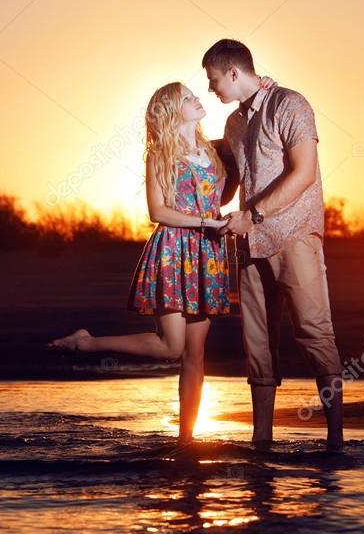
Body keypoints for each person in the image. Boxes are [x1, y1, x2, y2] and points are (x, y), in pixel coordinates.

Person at [49, 78, 271, 444]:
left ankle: (187, 438)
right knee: (172, 347)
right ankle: (87, 343)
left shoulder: (214, 151)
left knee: (196, 354)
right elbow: (158, 211)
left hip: (208, 254)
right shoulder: (160, 155)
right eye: (188, 98)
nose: (198, 98)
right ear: (171, 111)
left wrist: (227, 219)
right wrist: (206, 221)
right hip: (174, 251)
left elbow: (247, 154)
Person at [204, 38, 344, 452]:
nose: (211, 89)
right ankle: (261, 443)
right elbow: (230, 188)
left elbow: (303, 174)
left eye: (214, 80)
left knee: (315, 334)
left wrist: (255, 215)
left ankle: (336, 440)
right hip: (248, 245)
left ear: (233, 72)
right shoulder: (232, 125)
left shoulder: (290, 104)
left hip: (295, 236)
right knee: (258, 345)